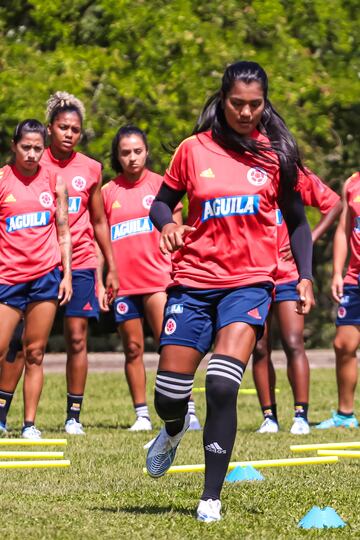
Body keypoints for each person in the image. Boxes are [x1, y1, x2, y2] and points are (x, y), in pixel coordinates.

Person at [145, 60, 315, 522]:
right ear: (223, 100)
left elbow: (298, 222)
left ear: (265, 103)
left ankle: (210, 498)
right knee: (168, 395)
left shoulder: (275, 155)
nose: (245, 112)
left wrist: (305, 275)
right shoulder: (192, 150)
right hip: (192, 283)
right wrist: (169, 225)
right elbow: (161, 204)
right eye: (237, 103)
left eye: (254, 104)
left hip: (250, 284)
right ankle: (172, 430)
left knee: (222, 384)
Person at [0, 92, 119, 437]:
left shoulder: (87, 170)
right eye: (63, 127)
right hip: (15, 270)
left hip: (70, 264)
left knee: (71, 340)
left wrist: (106, 267)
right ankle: (4, 411)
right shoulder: (28, 169)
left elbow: (93, 222)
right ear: (50, 129)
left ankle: (69, 417)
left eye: (75, 129)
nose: (69, 133)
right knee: (14, 344)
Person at [99, 125, 201, 431]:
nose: (132, 158)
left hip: (159, 280)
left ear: (147, 152)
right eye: (125, 153)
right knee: (132, 349)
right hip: (124, 285)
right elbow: (99, 240)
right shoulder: (107, 192)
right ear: (117, 156)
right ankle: (141, 414)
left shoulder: (161, 187)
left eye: (138, 151)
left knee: (170, 346)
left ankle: (189, 410)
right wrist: (101, 278)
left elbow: (179, 235)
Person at [253, 173, 341, 434]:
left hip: (289, 274)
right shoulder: (239, 171)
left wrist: (310, 237)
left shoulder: (292, 173)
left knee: (293, 342)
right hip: (253, 274)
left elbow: (335, 203)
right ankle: (269, 417)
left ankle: (300, 415)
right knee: (259, 347)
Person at [0, 119, 72, 438]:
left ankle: (29, 424)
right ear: (14, 146)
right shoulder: (2, 180)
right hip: (8, 277)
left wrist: (66, 274)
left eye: (37, 148)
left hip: (45, 275)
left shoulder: (54, 179)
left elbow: (63, 230)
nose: (31, 154)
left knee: (35, 352)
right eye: (26, 147)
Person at [316, 171, 360, 429]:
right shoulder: (353, 183)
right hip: (355, 278)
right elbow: (344, 231)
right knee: (343, 345)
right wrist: (336, 272)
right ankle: (345, 415)